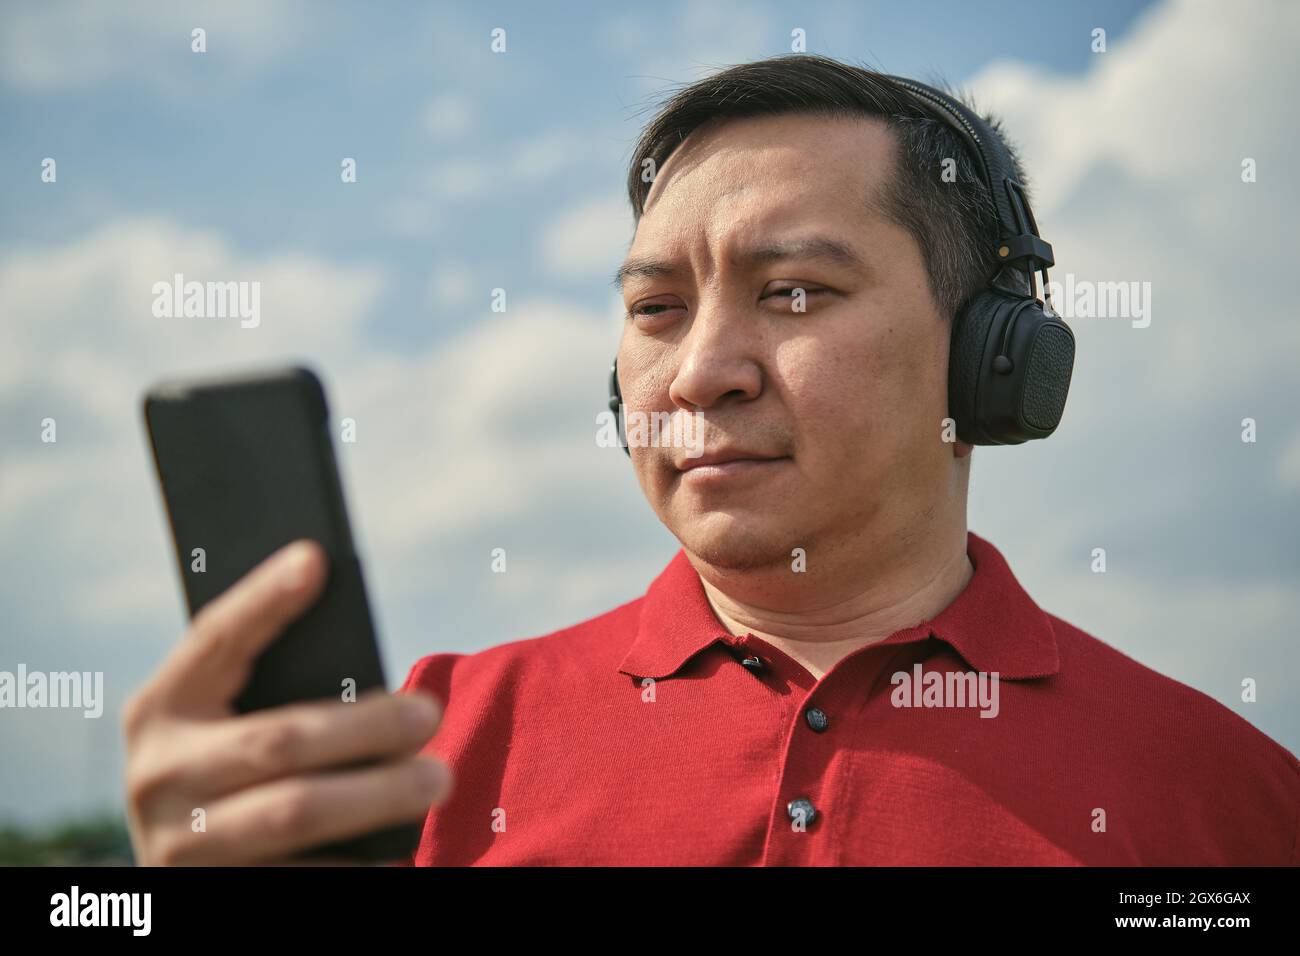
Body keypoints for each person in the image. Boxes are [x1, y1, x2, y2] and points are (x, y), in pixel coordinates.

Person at [123, 55, 1298, 866]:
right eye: (654, 307)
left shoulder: (1235, 798)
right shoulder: (411, 742)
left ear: (993, 354)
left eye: (792, 292)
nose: (698, 371)